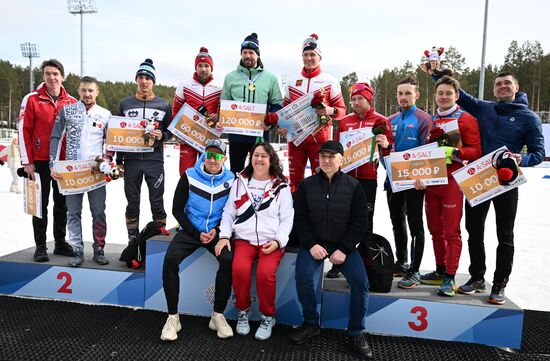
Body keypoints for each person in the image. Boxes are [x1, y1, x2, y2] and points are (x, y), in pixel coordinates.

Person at [429, 70, 544, 304]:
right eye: (498, 84)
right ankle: (477, 276)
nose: (502, 87)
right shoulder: (485, 108)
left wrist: (523, 159)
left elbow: (539, 153)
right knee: (474, 230)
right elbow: (456, 93)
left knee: (505, 235)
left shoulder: (529, 117)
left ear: (516, 87)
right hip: (477, 179)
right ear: (494, 89)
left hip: (505, 180)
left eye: (507, 84)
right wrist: (437, 72)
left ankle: (500, 282)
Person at [291, 140, 372, 359]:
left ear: (341, 160)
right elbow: (299, 219)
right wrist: (311, 244)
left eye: (331, 156)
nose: (326, 160)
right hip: (314, 244)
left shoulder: (354, 186)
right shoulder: (307, 186)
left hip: (342, 246)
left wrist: (344, 249)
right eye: (323, 156)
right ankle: (310, 322)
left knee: (361, 283)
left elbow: (360, 222)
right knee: (303, 277)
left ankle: (356, 332)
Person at [217, 142, 293, 341]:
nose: (259, 159)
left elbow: (287, 218)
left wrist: (278, 241)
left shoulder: (281, 185)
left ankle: (268, 316)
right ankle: (243, 311)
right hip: (245, 239)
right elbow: (228, 212)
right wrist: (224, 235)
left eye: (264, 156)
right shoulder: (240, 181)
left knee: (265, 273)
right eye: (256, 155)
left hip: (271, 240)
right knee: (240, 269)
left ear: (271, 160)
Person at [161, 139, 235, 342]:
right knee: (170, 260)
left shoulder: (231, 179)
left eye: (218, 155)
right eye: (209, 155)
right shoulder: (189, 176)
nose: (213, 159)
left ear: (225, 158)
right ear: (204, 155)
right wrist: (195, 232)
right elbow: (177, 209)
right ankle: (173, 317)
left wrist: (217, 230)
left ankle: (217, 315)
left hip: (216, 232)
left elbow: (232, 211)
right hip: (191, 231)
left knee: (228, 260)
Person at [415, 76, 482, 296]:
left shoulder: (466, 118)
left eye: (448, 93)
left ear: (456, 95)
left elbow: (476, 151)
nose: (444, 97)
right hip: (432, 182)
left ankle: (450, 277)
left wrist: (455, 152)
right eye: (440, 93)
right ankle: (440, 270)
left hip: (452, 182)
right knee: (435, 230)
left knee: (451, 231)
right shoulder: (431, 119)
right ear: (435, 96)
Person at [328, 82, 393, 279]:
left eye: (360, 99)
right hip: (345, 178)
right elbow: (337, 149)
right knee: (340, 219)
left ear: (369, 100)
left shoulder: (380, 120)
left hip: (367, 179)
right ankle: (338, 262)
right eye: (353, 99)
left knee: (365, 222)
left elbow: (389, 150)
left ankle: (367, 262)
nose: (356, 102)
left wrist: (386, 144)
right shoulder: (346, 121)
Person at [49, 76, 112, 267]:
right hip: (72, 172)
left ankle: (99, 248)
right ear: (78, 91)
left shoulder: (105, 114)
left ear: (97, 92)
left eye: (91, 90)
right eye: (84, 90)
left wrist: (107, 161)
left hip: (95, 172)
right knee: (73, 213)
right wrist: (53, 164)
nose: (87, 94)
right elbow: (56, 137)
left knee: (99, 212)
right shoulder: (67, 110)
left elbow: (110, 143)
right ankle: (77, 249)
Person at [18, 59, 77, 262]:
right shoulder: (32, 99)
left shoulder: (72, 102)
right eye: (47, 73)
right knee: (40, 205)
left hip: (62, 162)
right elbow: (23, 130)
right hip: (39, 161)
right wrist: (27, 161)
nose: (52, 77)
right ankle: (41, 246)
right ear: (43, 76)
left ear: (62, 76)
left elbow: (76, 134)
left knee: (62, 205)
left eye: (55, 74)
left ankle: (60, 243)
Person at [280, 33, 346, 191]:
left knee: (322, 181)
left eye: (312, 55)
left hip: (320, 141)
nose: (309, 58)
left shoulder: (330, 81)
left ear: (320, 57)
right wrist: (282, 127)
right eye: (305, 55)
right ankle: (297, 214)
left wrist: (329, 110)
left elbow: (342, 111)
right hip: (296, 141)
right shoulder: (292, 82)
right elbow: (284, 114)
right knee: (295, 182)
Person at [117, 58, 172, 243]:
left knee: (157, 203)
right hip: (131, 162)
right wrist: (119, 161)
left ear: (153, 81)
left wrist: (161, 135)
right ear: (136, 80)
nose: (144, 81)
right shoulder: (125, 104)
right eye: (140, 77)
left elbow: (171, 132)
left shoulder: (163, 105)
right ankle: (133, 243)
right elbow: (118, 135)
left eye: (148, 78)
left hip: (154, 162)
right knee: (132, 204)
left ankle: (157, 244)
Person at [386, 76, 432, 288]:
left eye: (407, 93)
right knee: (397, 222)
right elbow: (384, 151)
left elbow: (428, 151)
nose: (403, 97)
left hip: (415, 181)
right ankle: (402, 261)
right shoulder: (390, 120)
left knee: (415, 224)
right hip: (393, 180)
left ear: (417, 95)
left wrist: (422, 176)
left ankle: (414, 270)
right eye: (400, 93)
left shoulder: (423, 119)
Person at [220, 33, 283, 173]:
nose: (248, 56)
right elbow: (223, 103)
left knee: (261, 170)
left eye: (251, 52)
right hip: (236, 134)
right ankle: (238, 195)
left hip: (260, 133)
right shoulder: (230, 77)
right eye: (244, 52)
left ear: (258, 55)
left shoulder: (270, 78)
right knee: (236, 170)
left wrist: (270, 119)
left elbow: (277, 103)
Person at [173, 47, 222, 175]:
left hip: (208, 137)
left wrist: (217, 116)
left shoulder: (219, 86)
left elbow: (221, 111)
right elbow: (176, 109)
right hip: (188, 134)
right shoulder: (185, 84)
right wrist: (176, 132)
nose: (203, 69)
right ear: (195, 67)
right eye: (200, 65)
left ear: (212, 68)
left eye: (206, 65)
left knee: (209, 171)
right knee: (185, 173)